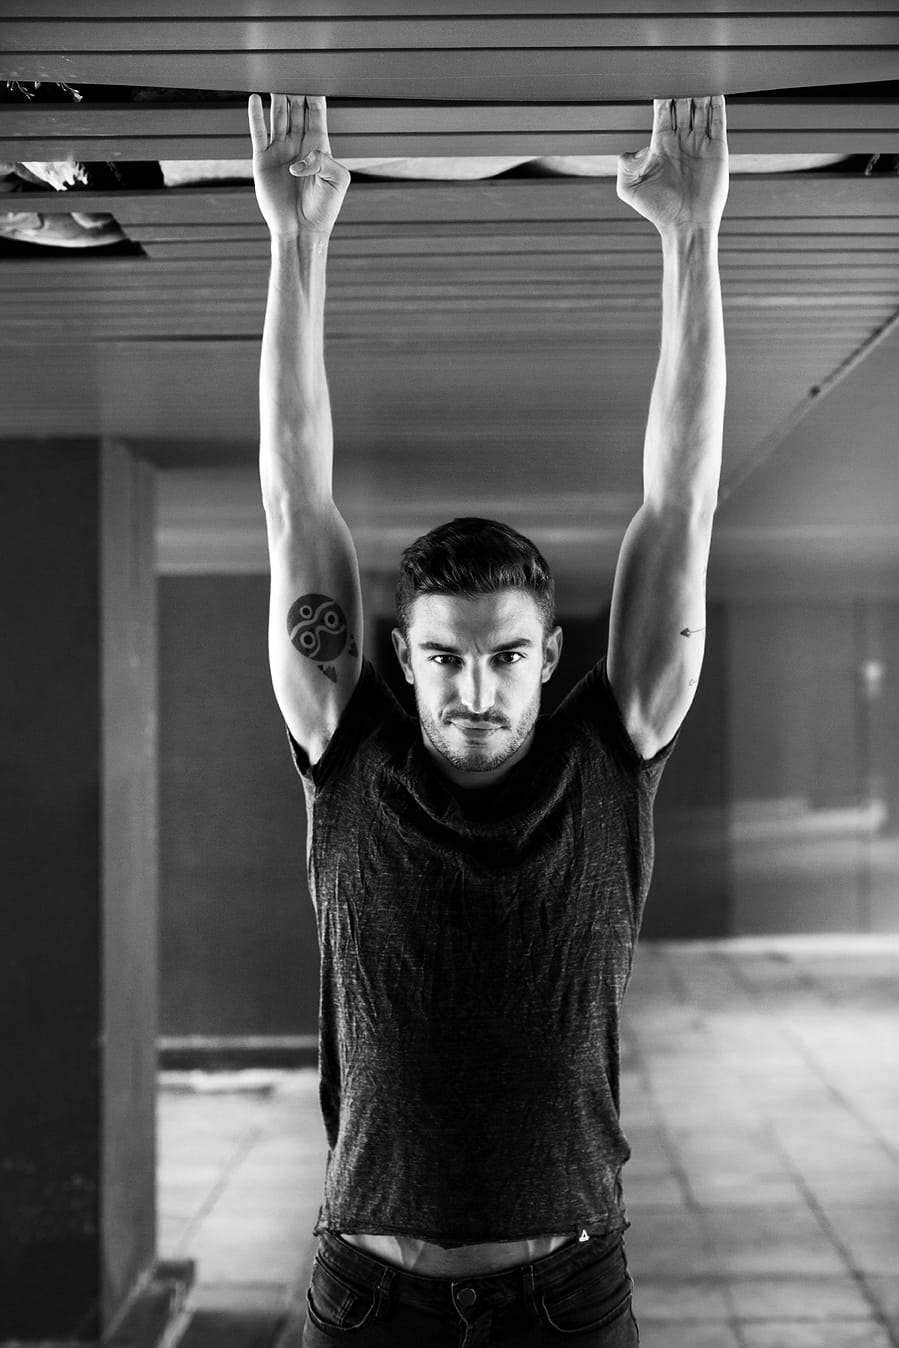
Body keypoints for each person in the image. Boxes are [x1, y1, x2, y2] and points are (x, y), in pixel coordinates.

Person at [248, 90, 728, 1348]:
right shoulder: (346, 752)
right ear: (401, 659)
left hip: (566, 1293)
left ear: (548, 656)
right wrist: (294, 243)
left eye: (507, 658)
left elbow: (679, 507)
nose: (474, 690)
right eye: (447, 661)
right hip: (371, 1293)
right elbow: (294, 493)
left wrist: (691, 239)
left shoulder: (610, 754)